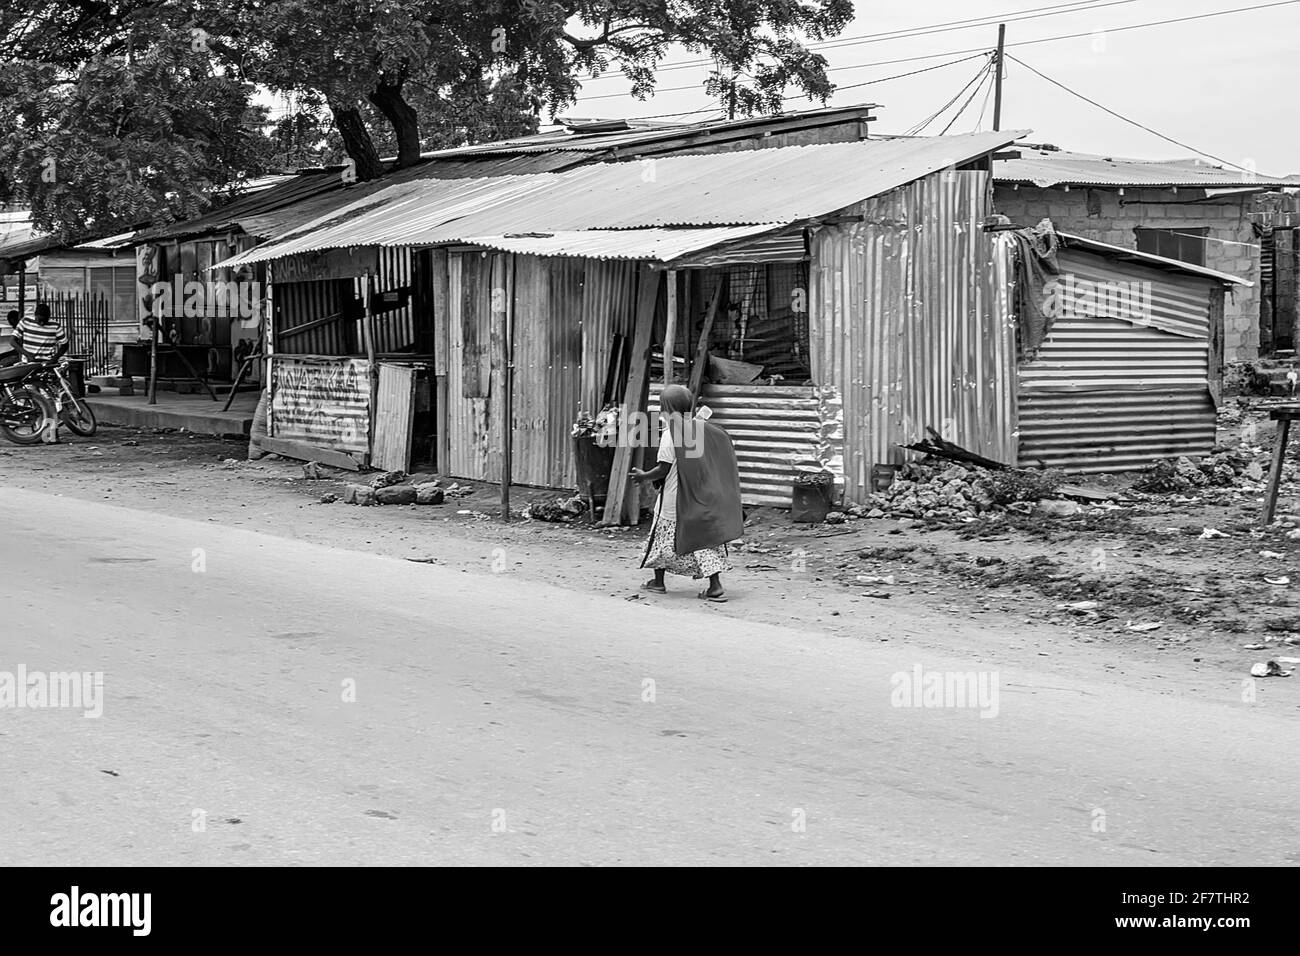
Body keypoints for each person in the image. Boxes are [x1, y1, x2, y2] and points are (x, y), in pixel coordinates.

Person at [630, 383, 744, 602]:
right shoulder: (700, 428)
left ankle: (659, 582)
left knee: (662, 538)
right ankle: (713, 585)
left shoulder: (670, 435)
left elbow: (663, 468)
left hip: (674, 499)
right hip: (701, 496)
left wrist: (643, 476)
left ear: (665, 408)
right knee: (704, 539)